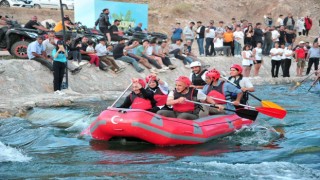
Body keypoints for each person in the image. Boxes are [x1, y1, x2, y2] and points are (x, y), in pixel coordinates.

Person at [157, 76, 222, 120]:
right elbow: (168, 102)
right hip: (176, 113)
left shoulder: (195, 92)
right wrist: (178, 100)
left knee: (182, 116)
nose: (177, 87)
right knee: (160, 112)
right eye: (176, 85)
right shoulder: (173, 92)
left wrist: (215, 104)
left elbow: (207, 98)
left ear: (186, 86)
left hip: (192, 114)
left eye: (179, 85)